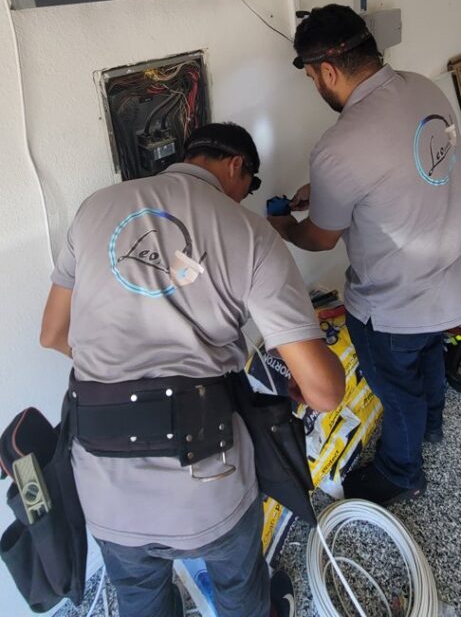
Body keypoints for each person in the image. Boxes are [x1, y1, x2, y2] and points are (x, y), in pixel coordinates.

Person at [40, 121, 344, 617]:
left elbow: (53, 334)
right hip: (208, 486)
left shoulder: (94, 208)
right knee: (240, 590)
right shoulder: (249, 234)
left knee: (140, 599)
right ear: (236, 167)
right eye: (250, 185)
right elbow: (326, 391)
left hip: (104, 485)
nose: (246, 196)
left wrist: (127, 376)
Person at [269, 4, 461, 507]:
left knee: (396, 391)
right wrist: (335, 191)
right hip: (448, 281)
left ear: (327, 71)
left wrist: (285, 226)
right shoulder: (426, 87)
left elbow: (320, 239)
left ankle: (402, 473)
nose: (316, 86)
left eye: (313, 77)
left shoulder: (340, 146)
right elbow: (405, 173)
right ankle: (434, 425)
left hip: (393, 305)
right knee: (429, 359)